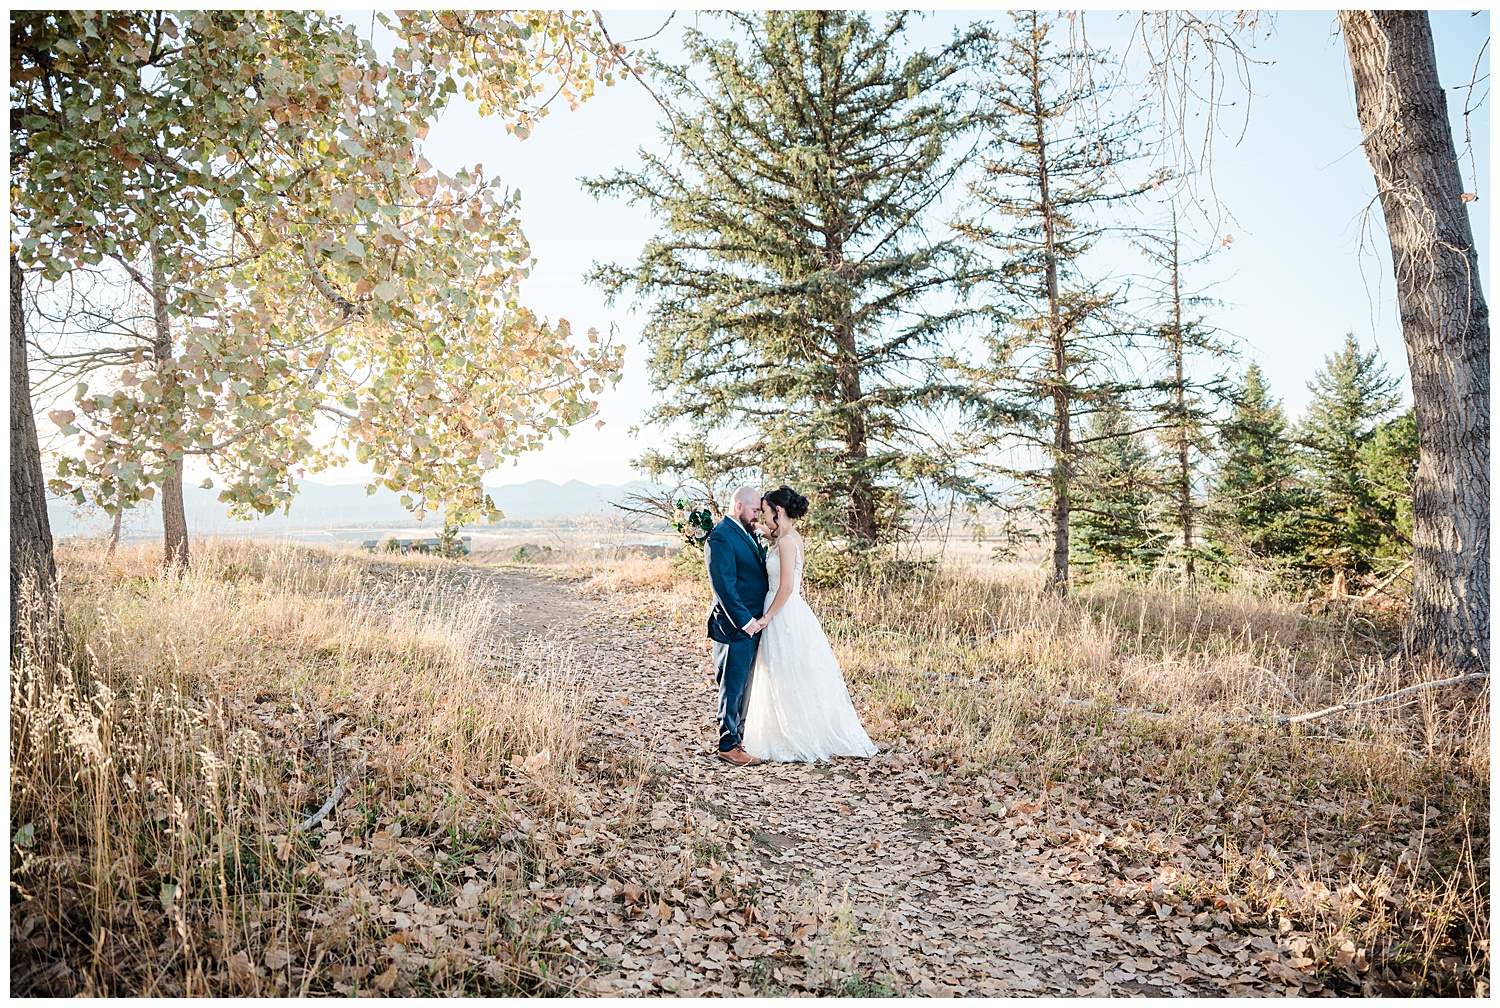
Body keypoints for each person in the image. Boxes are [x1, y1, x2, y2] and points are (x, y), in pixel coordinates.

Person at [741, 486, 878, 763]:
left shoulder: (789, 542)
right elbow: (770, 534)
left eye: (766, 512)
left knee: (789, 670)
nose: (764, 518)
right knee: (784, 670)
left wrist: (767, 617)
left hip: (784, 612)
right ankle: (781, 727)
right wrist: (752, 527)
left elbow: (789, 585)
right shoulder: (784, 536)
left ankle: (797, 733)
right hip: (783, 610)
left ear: (778, 511)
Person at [704, 485, 769, 766]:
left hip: (753, 624)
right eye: (755, 510)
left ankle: (739, 738)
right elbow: (725, 589)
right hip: (734, 628)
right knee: (731, 686)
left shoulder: (745, 533)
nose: (757, 516)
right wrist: (746, 623)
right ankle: (728, 745)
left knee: (743, 685)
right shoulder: (720, 538)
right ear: (739, 506)